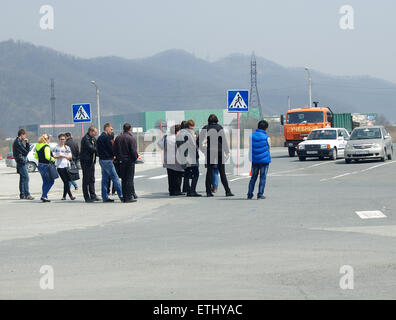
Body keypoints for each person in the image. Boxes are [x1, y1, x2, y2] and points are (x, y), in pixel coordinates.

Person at [199, 114, 234, 197]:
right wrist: (227, 151)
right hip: (219, 151)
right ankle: (227, 191)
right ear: (216, 120)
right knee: (222, 172)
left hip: (210, 151)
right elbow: (223, 141)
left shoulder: (205, 128)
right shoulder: (219, 127)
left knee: (209, 172)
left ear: (209, 121)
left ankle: (208, 192)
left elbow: (199, 141)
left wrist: (203, 150)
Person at [97, 123, 123, 203]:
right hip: (108, 160)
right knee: (115, 178)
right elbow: (110, 148)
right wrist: (113, 155)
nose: (112, 131)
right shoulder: (106, 137)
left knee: (104, 179)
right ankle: (121, 196)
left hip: (101, 160)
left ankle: (105, 196)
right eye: (111, 129)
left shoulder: (99, 138)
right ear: (106, 128)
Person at [114, 123, 138, 203]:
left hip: (120, 161)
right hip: (129, 161)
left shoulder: (118, 138)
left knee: (123, 180)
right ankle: (129, 197)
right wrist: (135, 158)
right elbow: (133, 151)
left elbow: (115, 150)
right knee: (129, 179)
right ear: (130, 129)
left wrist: (117, 158)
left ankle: (124, 197)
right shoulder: (131, 138)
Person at [158, 124, 184, 196]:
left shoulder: (166, 137)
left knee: (170, 176)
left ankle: (171, 191)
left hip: (168, 159)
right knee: (178, 175)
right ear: (178, 131)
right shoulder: (179, 138)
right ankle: (177, 190)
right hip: (177, 159)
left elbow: (160, 145)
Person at [247, 120, 271, 200]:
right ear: (266, 128)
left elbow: (250, 147)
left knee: (253, 177)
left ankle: (249, 194)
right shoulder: (267, 137)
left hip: (254, 160)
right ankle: (260, 194)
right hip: (264, 161)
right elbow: (269, 147)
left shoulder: (251, 136)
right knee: (262, 177)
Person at [177, 120, 201, 197]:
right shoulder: (188, 134)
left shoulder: (179, 134)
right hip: (191, 156)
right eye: (192, 128)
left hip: (183, 156)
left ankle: (188, 190)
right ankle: (192, 190)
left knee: (187, 174)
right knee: (196, 173)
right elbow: (193, 145)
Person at [12, 129, 34, 200]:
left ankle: (22, 194)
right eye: (25, 135)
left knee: (22, 178)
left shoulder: (18, 141)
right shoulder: (18, 143)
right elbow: (26, 152)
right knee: (26, 178)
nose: (25, 136)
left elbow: (24, 151)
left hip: (20, 161)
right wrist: (27, 143)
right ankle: (27, 194)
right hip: (21, 162)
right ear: (21, 135)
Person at [80, 126, 100, 203]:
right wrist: (99, 151)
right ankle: (86, 196)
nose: (96, 133)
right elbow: (91, 148)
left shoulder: (93, 139)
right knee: (86, 179)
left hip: (92, 161)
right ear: (91, 132)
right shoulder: (86, 139)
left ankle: (93, 195)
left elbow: (96, 148)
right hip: (86, 161)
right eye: (95, 132)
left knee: (92, 178)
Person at [53, 133, 75, 201]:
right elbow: (54, 156)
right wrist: (59, 156)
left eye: (63, 139)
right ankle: (70, 196)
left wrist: (63, 156)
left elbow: (70, 157)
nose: (62, 140)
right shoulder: (56, 147)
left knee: (67, 182)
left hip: (67, 166)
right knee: (65, 181)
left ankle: (64, 196)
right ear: (59, 139)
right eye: (61, 139)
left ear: (65, 140)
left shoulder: (67, 148)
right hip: (60, 167)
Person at [34, 134, 56, 202]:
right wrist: (53, 159)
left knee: (45, 182)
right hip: (46, 166)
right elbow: (47, 157)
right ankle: (43, 195)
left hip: (40, 165)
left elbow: (36, 156)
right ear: (47, 140)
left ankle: (45, 197)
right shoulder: (46, 147)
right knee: (51, 181)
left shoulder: (37, 146)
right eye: (49, 139)